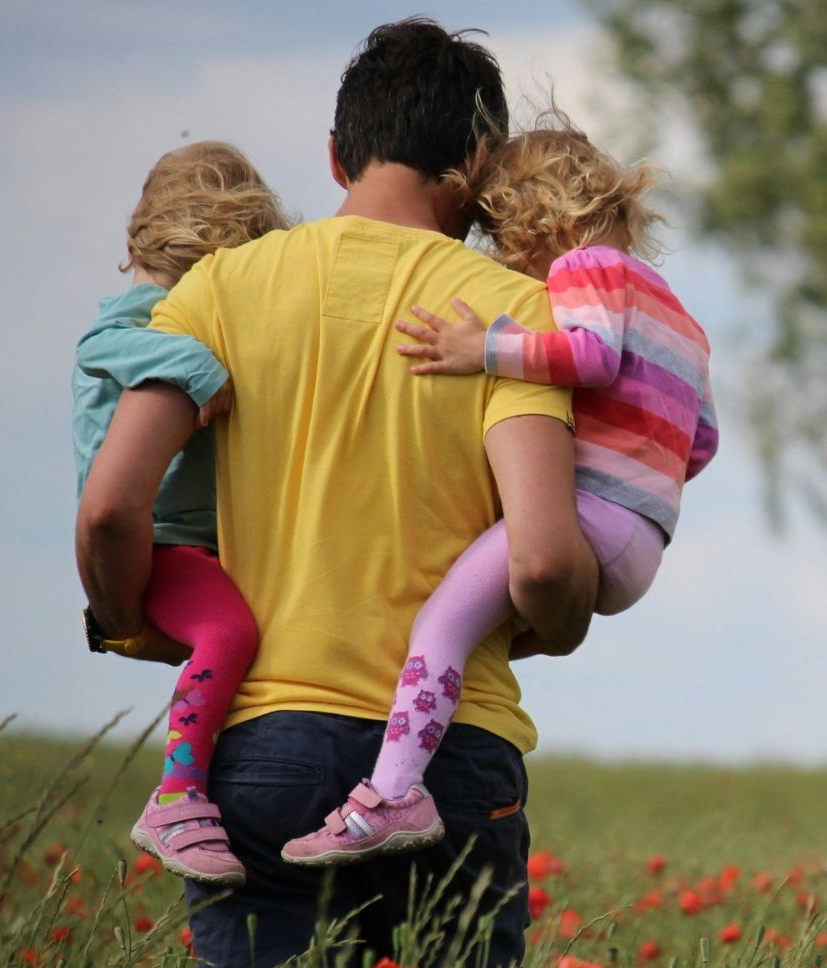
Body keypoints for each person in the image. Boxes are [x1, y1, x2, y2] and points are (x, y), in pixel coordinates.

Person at [75, 18, 597, 968]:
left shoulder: (217, 290)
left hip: (262, 745)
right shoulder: (511, 315)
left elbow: (109, 509)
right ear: (479, 161)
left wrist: (134, 620)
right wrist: (558, 625)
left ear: (334, 153)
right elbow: (541, 563)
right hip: (451, 758)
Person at [281, 118, 717, 866]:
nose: (504, 258)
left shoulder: (586, 270)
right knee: (477, 630)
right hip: (645, 537)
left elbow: (591, 356)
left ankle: (391, 794)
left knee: (440, 627)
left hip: (591, 516)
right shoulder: (680, 315)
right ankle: (413, 759)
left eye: (501, 235)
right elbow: (701, 441)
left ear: (535, 219)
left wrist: (480, 348)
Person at [73, 141, 288, 886]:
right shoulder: (141, 317)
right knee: (229, 631)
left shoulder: (174, 309)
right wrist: (198, 366)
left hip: (197, 544)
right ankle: (178, 795)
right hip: (162, 543)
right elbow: (102, 344)